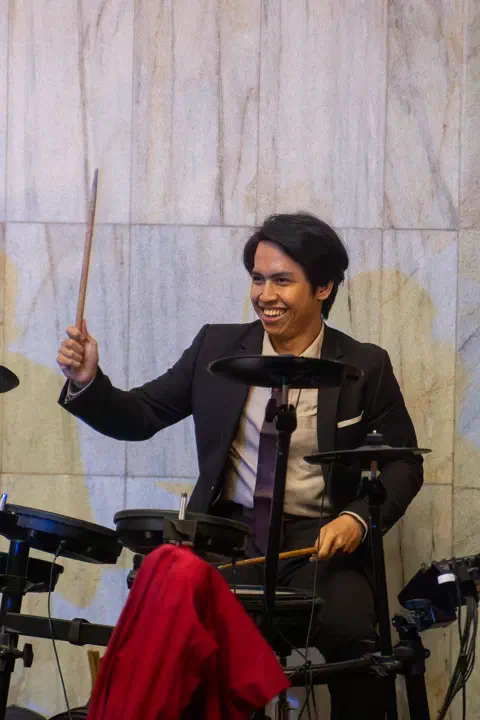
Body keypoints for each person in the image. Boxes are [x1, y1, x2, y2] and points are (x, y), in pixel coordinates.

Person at [57, 212, 423, 719]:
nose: (265, 295)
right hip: (228, 538)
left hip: (319, 544)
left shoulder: (366, 364)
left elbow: (404, 464)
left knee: (361, 651)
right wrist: (87, 380)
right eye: (257, 278)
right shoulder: (216, 347)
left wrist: (356, 519)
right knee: (179, 643)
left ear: (323, 287)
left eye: (282, 281)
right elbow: (140, 415)